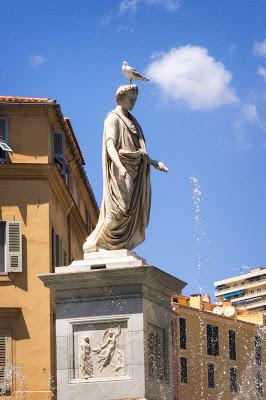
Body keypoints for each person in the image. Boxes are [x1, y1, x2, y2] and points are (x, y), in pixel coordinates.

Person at [83, 84, 168, 253]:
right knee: (119, 209)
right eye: (131, 99)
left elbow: (140, 151)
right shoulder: (113, 118)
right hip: (120, 170)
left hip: (135, 170)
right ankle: (95, 243)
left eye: (135, 100)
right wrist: (120, 167)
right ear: (120, 98)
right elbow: (109, 145)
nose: (134, 103)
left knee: (129, 211)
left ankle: (115, 245)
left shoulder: (132, 121)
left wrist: (154, 162)